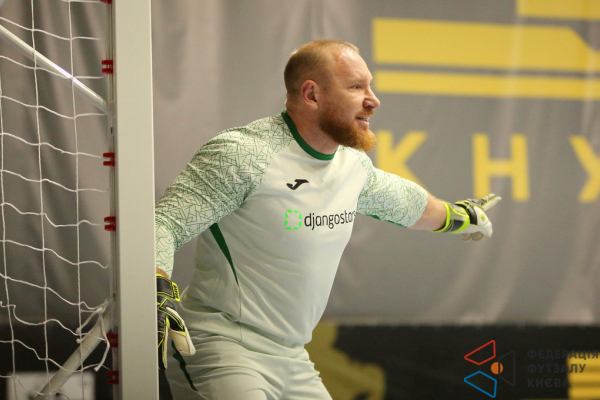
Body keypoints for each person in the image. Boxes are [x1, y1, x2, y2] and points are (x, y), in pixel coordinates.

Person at [154, 39, 500, 400]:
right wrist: (154, 289)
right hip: (222, 347)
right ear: (312, 95)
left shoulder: (351, 164)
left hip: (293, 356)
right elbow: (166, 224)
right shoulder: (242, 155)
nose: (373, 100)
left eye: (370, 86)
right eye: (356, 87)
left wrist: (460, 216)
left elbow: (407, 203)